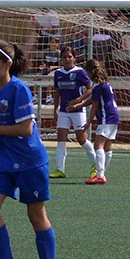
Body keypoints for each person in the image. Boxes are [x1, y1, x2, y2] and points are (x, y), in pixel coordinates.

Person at [0, 40, 62, 259]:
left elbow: (26, 128)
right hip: (2, 162)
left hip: (29, 162)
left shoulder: (19, 89)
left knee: (36, 215)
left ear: (7, 64)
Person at [66, 58, 119, 185]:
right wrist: (78, 105)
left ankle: (100, 175)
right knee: (107, 147)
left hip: (106, 117)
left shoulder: (97, 86)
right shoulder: (104, 83)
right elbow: (93, 99)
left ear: (90, 72)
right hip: (114, 117)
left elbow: (94, 105)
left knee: (98, 145)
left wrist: (89, 122)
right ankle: (101, 173)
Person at [49, 46, 98, 179]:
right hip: (64, 111)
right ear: (61, 59)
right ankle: (60, 169)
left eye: (70, 56)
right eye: (64, 57)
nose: (67, 59)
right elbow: (57, 92)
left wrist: (78, 100)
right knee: (61, 138)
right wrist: (56, 108)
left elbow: (90, 89)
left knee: (81, 138)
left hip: (77, 111)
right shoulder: (58, 73)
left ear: (74, 58)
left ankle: (96, 163)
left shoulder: (80, 72)